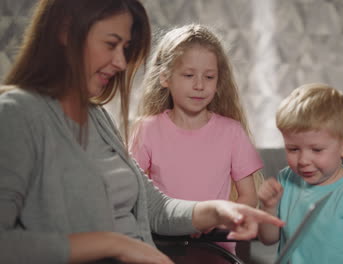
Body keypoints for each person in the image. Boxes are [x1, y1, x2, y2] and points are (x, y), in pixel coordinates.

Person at [0, 1, 284, 263]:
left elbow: (155, 208)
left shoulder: (98, 118)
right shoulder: (17, 114)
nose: (122, 62)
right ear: (65, 30)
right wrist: (115, 244)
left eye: (125, 48)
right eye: (111, 44)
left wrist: (214, 211)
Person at [130, 24, 263, 255]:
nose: (199, 85)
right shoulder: (146, 130)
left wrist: (218, 221)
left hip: (217, 250)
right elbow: (133, 193)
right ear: (165, 78)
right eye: (189, 75)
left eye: (209, 77)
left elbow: (249, 196)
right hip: (162, 250)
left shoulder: (232, 132)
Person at [257, 83, 343, 264]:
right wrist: (269, 208)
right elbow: (268, 238)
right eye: (293, 149)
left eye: (317, 150)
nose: (303, 160)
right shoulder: (286, 180)